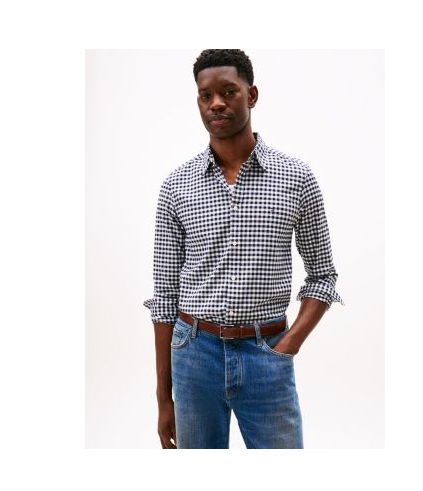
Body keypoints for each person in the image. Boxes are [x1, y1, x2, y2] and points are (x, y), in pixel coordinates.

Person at [144, 49, 343, 449]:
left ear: (251, 95)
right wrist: (164, 398)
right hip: (193, 355)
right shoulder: (176, 186)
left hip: (266, 353)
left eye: (228, 91)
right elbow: (164, 298)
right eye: (206, 95)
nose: (216, 103)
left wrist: (287, 345)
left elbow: (323, 277)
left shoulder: (296, 178)